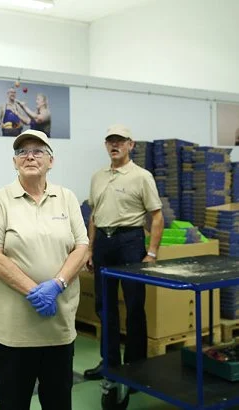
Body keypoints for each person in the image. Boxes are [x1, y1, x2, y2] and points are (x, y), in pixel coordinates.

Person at [0, 130, 88, 410]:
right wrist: (34, 291)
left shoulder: (66, 197)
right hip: (13, 331)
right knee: (14, 402)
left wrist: (58, 284)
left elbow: (81, 247)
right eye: (22, 152)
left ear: (51, 161)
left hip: (58, 327)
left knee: (58, 400)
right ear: (14, 162)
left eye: (38, 151)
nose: (29, 156)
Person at [83, 125, 164, 385]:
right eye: (110, 141)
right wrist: (90, 249)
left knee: (134, 306)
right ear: (106, 145)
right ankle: (109, 363)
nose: (114, 145)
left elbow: (157, 215)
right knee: (104, 306)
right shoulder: (97, 176)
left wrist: (151, 252)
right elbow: (94, 216)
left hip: (130, 241)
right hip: (104, 244)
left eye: (120, 141)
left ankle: (135, 367)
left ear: (131, 144)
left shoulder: (142, 176)